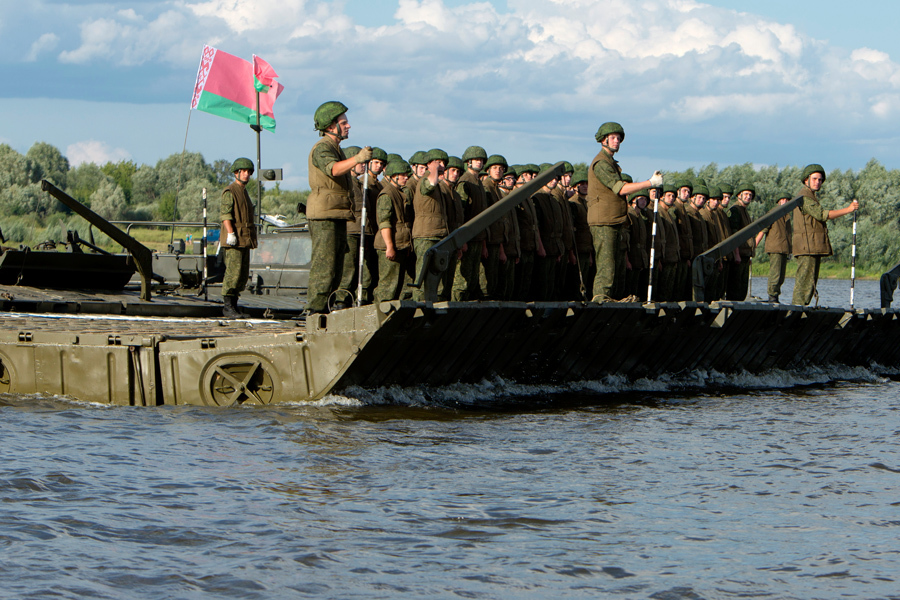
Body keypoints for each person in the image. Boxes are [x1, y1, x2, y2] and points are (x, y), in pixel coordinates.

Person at [306, 101, 372, 314]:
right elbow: (333, 170)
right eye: (344, 122)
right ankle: (315, 311)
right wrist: (358, 159)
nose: (348, 126)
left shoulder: (336, 149)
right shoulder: (323, 148)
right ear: (331, 126)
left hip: (336, 213)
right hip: (324, 214)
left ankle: (324, 310)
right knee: (324, 266)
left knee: (335, 267)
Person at [587, 122, 662, 301]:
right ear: (603, 140)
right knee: (607, 265)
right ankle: (600, 299)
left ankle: (612, 301)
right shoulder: (601, 163)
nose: (617, 141)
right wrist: (649, 183)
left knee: (617, 266)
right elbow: (620, 189)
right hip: (604, 221)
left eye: (619, 139)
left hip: (614, 220)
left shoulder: (610, 162)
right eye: (613, 138)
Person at [791, 164, 858, 305]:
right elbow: (822, 215)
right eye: (814, 179)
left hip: (811, 246)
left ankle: (801, 310)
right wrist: (848, 209)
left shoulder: (810, 196)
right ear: (805, 180)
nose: (818, 182)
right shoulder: (804, 197)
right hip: (806, 246)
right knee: (805, 282)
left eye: (820, 180)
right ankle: (796, 311)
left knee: (810, 282)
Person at [411, 149, 453, 301]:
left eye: (443, 163)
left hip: (438, 234)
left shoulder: (440, 186)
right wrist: (433, 169)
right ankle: (419, 305)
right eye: (438, 162)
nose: (442, 166)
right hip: (426, 234)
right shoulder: (426, 179)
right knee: (422, 273)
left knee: (436, 275)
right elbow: (430, 184)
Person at [220, 157, 258, 318]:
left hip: (244, 239)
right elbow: (225, 215)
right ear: (237, 172)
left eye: (249, 172)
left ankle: (234, 305)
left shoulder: (243, 191)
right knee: (233, 273)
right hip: (234, 239)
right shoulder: (230, 191)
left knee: (242, 274)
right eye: (244, 171)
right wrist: (230, 233)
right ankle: (228, 306)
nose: (247, 174)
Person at [373, 160, 415, 303]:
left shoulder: (400, 192)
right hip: (390, 246)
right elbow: (384, 223)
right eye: (403, 175)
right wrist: (390, 247)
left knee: (398, 287)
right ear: (394, 176)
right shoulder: (387, 194)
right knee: (387, 287)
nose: (406, 178)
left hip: (401, 245)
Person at [451, 145, 489, 301]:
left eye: (481, 160)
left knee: (473, 280)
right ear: (468, 162)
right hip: (468, 237)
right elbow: (461, 213)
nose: (479, 163)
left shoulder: (478, 182)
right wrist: (462, 239)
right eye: (476, 160)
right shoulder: (465, 182)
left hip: (477, 237)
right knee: (462, 281)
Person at [726, 183, 756, 301]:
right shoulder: (736, 210)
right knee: (735, 287)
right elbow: (734, 234)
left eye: (750, 195)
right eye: (746, 194)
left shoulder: (744, 211)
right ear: (739, 195)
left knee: (742, 289)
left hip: (745, 255)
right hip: (738, 256)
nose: (748, 197)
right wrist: (737, 254)